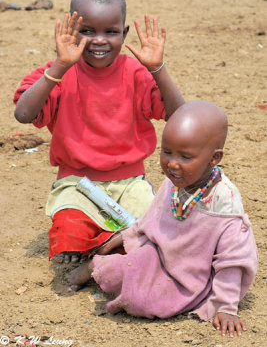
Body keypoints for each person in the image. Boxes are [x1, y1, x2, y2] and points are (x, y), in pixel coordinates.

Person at [13, 0, 184, 264]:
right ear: (70, 30)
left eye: (111, 32)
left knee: (157, 232)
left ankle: (105, 249)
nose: (99, 41)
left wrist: (157, 69)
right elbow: (23, 114)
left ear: (124, 33)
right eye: (87, 31)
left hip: (130, 183)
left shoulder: (137, 74)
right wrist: (59, 66)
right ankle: (105, 248)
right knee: (69, 232)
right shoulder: (57, 73)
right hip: (75, 182)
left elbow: (178, 116)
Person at [69, 101, 258, 338]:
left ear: (214, 158)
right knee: (116, 269)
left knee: (141, 301)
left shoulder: (224, 205)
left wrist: (225, 307)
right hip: (157, 255)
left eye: (186, 156)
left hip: (191, 277)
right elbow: (151, 222)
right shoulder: (174, 182)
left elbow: (232, 261)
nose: (172, 164)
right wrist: (126, 239)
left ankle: (109, 271)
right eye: (167, 152)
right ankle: (95, 265)